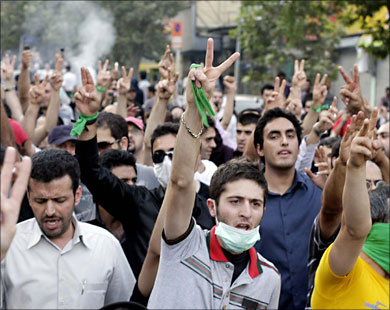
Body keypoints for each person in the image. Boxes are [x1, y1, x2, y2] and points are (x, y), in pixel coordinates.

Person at [148, 38, 281, 309]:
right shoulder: (183, 242)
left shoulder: (269, 278)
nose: (246, 212)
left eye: (255, 203)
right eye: (235, 201)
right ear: (212, 206)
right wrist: (196, 107)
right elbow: (182, 181)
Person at [74, 68, 214, 278]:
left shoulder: (214, 207)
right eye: (159, 155)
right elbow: (90, 171)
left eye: (174, 154)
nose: (168, 162)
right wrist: (87, 120)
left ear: (196, 159)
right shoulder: (139, 202)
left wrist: (195, 107)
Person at [1, 148, 135, 309]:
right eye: (41, 201)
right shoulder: (8, 246)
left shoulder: (105, 245)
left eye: (59, 200)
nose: (50, 211)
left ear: (77, 195)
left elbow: (125, 305)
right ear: (29, 197)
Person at [311, 111, 389, 309]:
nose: (371, 191)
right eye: (364, 184)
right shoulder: (343, 269)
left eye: (376, 184)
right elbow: (354, 229)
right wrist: (353, 166)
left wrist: (379, 157)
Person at [253, 108, 322, 310]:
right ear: (260, 149)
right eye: (274, 136)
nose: (284, 141)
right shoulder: (246, 200)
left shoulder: (319, 192)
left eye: (290, 135)